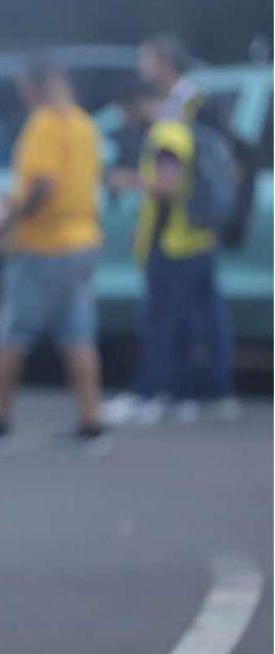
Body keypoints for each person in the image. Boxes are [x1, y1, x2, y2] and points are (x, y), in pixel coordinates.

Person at [0, 59, 107, 453]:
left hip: (44, 244)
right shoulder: (83, 124)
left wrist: (10, 218)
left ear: (35, 87)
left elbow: (44, 185)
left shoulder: (43, 124)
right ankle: (92, 422)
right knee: (78, 334)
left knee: (12, 335)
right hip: (82, 239)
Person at [103, 34, 241, 425]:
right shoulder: (181, 119)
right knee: (193, 320)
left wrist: (128, 180)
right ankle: (192, 394)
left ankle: (153, 394)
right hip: (194, 234)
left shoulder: (169, 129)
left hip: (177, 239)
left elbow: (170, 185)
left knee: (164, 320)